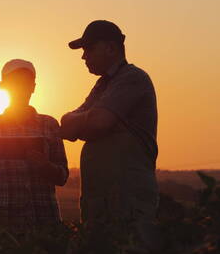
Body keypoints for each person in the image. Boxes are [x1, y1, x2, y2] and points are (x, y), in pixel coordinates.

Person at [60, 20, 159, 225]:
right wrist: (94, 119)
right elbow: (67, 125)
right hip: (101, 205)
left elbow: (99, 122)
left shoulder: (133, 78)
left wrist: (93, 121)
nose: (84, 56)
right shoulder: (102, 86)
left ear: (111, 48)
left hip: (128, 202)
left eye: (89, 48)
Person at [0, 59, 69, 234]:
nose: (21, 87)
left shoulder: (49, 125)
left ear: (33, 87)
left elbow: (63, 177)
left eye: (26, 82)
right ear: (3, 86)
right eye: (15, 82)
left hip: (43, 221)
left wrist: (44, 165)